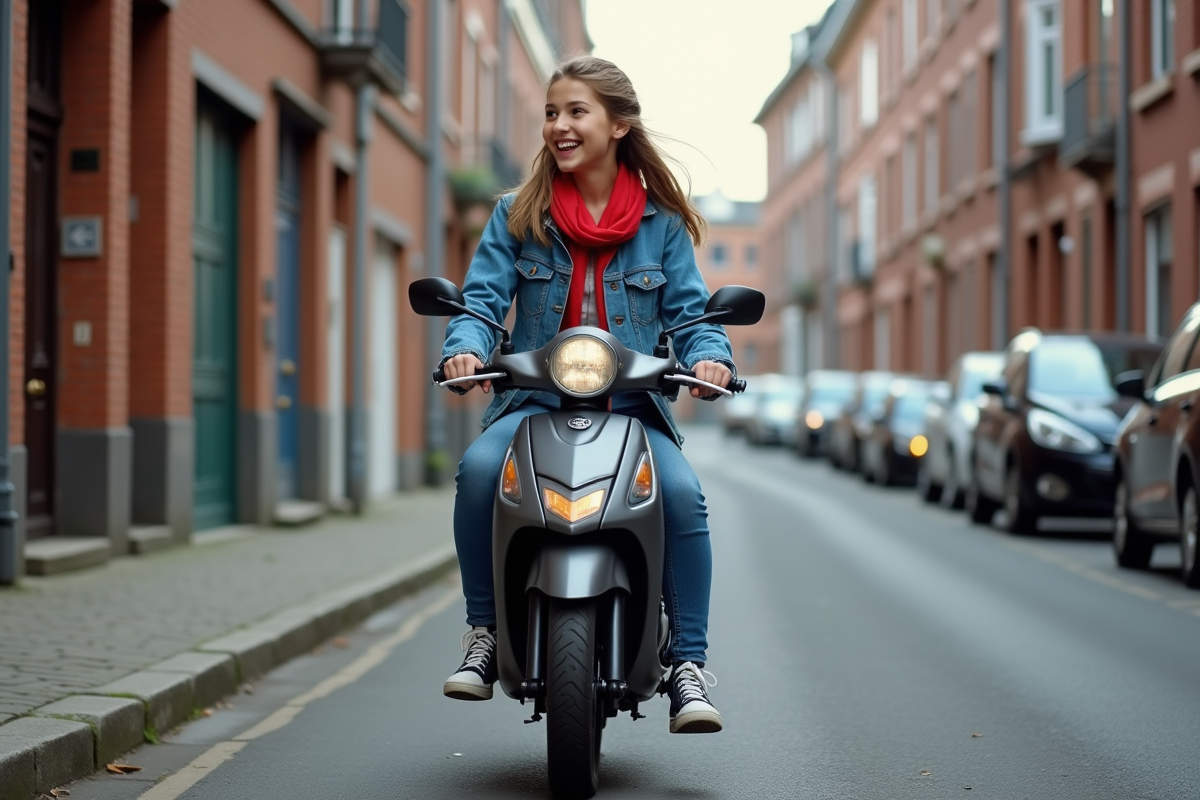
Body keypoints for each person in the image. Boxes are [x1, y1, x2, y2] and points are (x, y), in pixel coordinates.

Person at [438, 55, 736, 735]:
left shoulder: (659, 225)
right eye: (551, 112)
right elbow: (483, 301)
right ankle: (484, 632)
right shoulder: (518, 214)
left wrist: (711, 359)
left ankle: (687, 663)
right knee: (480, 472)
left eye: (576, 112)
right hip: (533, 404)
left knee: (684, 496)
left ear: (618, 125)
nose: (559, 126)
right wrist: (466, 345)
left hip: (634, 408)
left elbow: (691, 316)